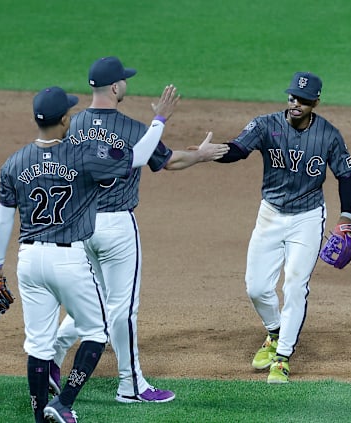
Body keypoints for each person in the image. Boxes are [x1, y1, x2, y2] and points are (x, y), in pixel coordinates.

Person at [0, 84, 179, 422]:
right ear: (64, 120)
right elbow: (138, 157)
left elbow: (4, 216)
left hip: (28, 260)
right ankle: (63, 403)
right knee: (97, 331)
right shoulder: (83, 155)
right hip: (69, 258)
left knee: (38, 345)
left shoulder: (13, 163)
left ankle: (38, 415)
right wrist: (159, 119)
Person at [50, 56, 228, 404]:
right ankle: (131, 385)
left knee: (94, 303)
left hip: (78, 225)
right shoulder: (133, 129)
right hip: (116, 227)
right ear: (115, 87)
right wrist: (202, 155)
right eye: (124, 81)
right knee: (122, 308)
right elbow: (167, 161)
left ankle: (53, 360)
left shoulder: (72, 126)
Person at [213, 71, 351, 384]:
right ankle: (275, 331)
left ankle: (283, 356)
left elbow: (345, 174)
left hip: (307, 218)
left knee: (294, 286)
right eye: (292, 97)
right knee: (256, 287)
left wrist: (346, 214)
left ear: (315, 102)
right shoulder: (266, 125)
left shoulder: (329, 135)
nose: (295, 104)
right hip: (271, 214)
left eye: (303, 100)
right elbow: (238, 149)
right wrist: (213, 152)